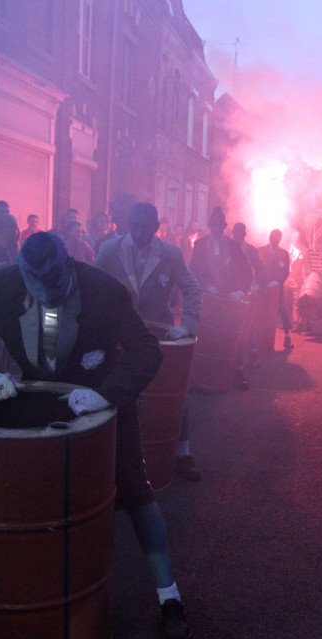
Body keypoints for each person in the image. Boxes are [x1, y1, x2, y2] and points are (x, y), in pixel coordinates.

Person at [0, 232, 193, 639]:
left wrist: (107, 393)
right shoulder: (5, 286)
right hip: (40, 404)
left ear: (69, 264)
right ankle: (37, 591)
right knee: (36, 500)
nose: (48, 293)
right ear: (22, 272)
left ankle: (169, 597)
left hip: (103, 404)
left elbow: (146, 351)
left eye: (56, 282)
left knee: (136, 492)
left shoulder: (104, 291)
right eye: (37, 283)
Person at [96, 202, 204, 481]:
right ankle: (114, 455)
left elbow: (192, 289)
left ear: (157, 227)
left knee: (175, 392)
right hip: (119, 335)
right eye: (134, 225)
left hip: (158, 335)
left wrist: (187, 325)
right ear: (127, 222)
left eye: (146, 226)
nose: (139, 232)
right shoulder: (109, 250)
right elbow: (94, 287)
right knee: (117, 389)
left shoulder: (171, 253)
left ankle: (183, 452)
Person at [189, 207, 253, 389]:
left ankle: (239, 373)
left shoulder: (233, 246)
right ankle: (202, 373)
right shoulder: (200, 244)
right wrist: (205, 286)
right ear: (209, 226)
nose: (217, 230)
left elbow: (246, 271)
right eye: (213, 226)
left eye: (220, 226)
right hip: (208, 299)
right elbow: (193, 270)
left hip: (230, 300)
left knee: (235, 336)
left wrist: (241, 290)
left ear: (224, 227)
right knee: (205, 335)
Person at [258, 229, 295, 351]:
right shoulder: (260, 250)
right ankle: (259, 338)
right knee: (261, 311)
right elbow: (258, 268)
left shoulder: (284, 254)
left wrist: (277, 282)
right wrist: (264, 282)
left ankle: (287, 337)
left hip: (277, 288)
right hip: (262, 287)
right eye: (274, 237)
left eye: (278, 238)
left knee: (283, 311)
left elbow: (285, 271)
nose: (276, 240)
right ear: (270, 237)